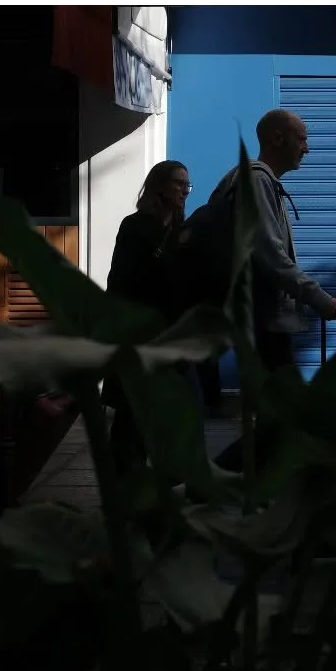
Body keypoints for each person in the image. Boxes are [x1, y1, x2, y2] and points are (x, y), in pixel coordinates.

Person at [212, 109, 336, 471]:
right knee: (283, 417)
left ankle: (239, 485)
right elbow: (268, 254)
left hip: (263, 321)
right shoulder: (255, 181)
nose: (307, 148)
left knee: (280, 418)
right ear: (277, 138)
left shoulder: (258, 181)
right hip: (261, 323)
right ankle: (214, 483)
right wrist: (318, 298)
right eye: (302, 138)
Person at [103, 159, 192, 474]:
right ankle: (126, 479)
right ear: (159, 186)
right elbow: (123, 280)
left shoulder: (180, 229)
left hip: (171, 335)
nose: (185, 190)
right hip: (141, 334)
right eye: (179, 183)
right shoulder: (137, 226)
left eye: (187, 185)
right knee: (133, 413)